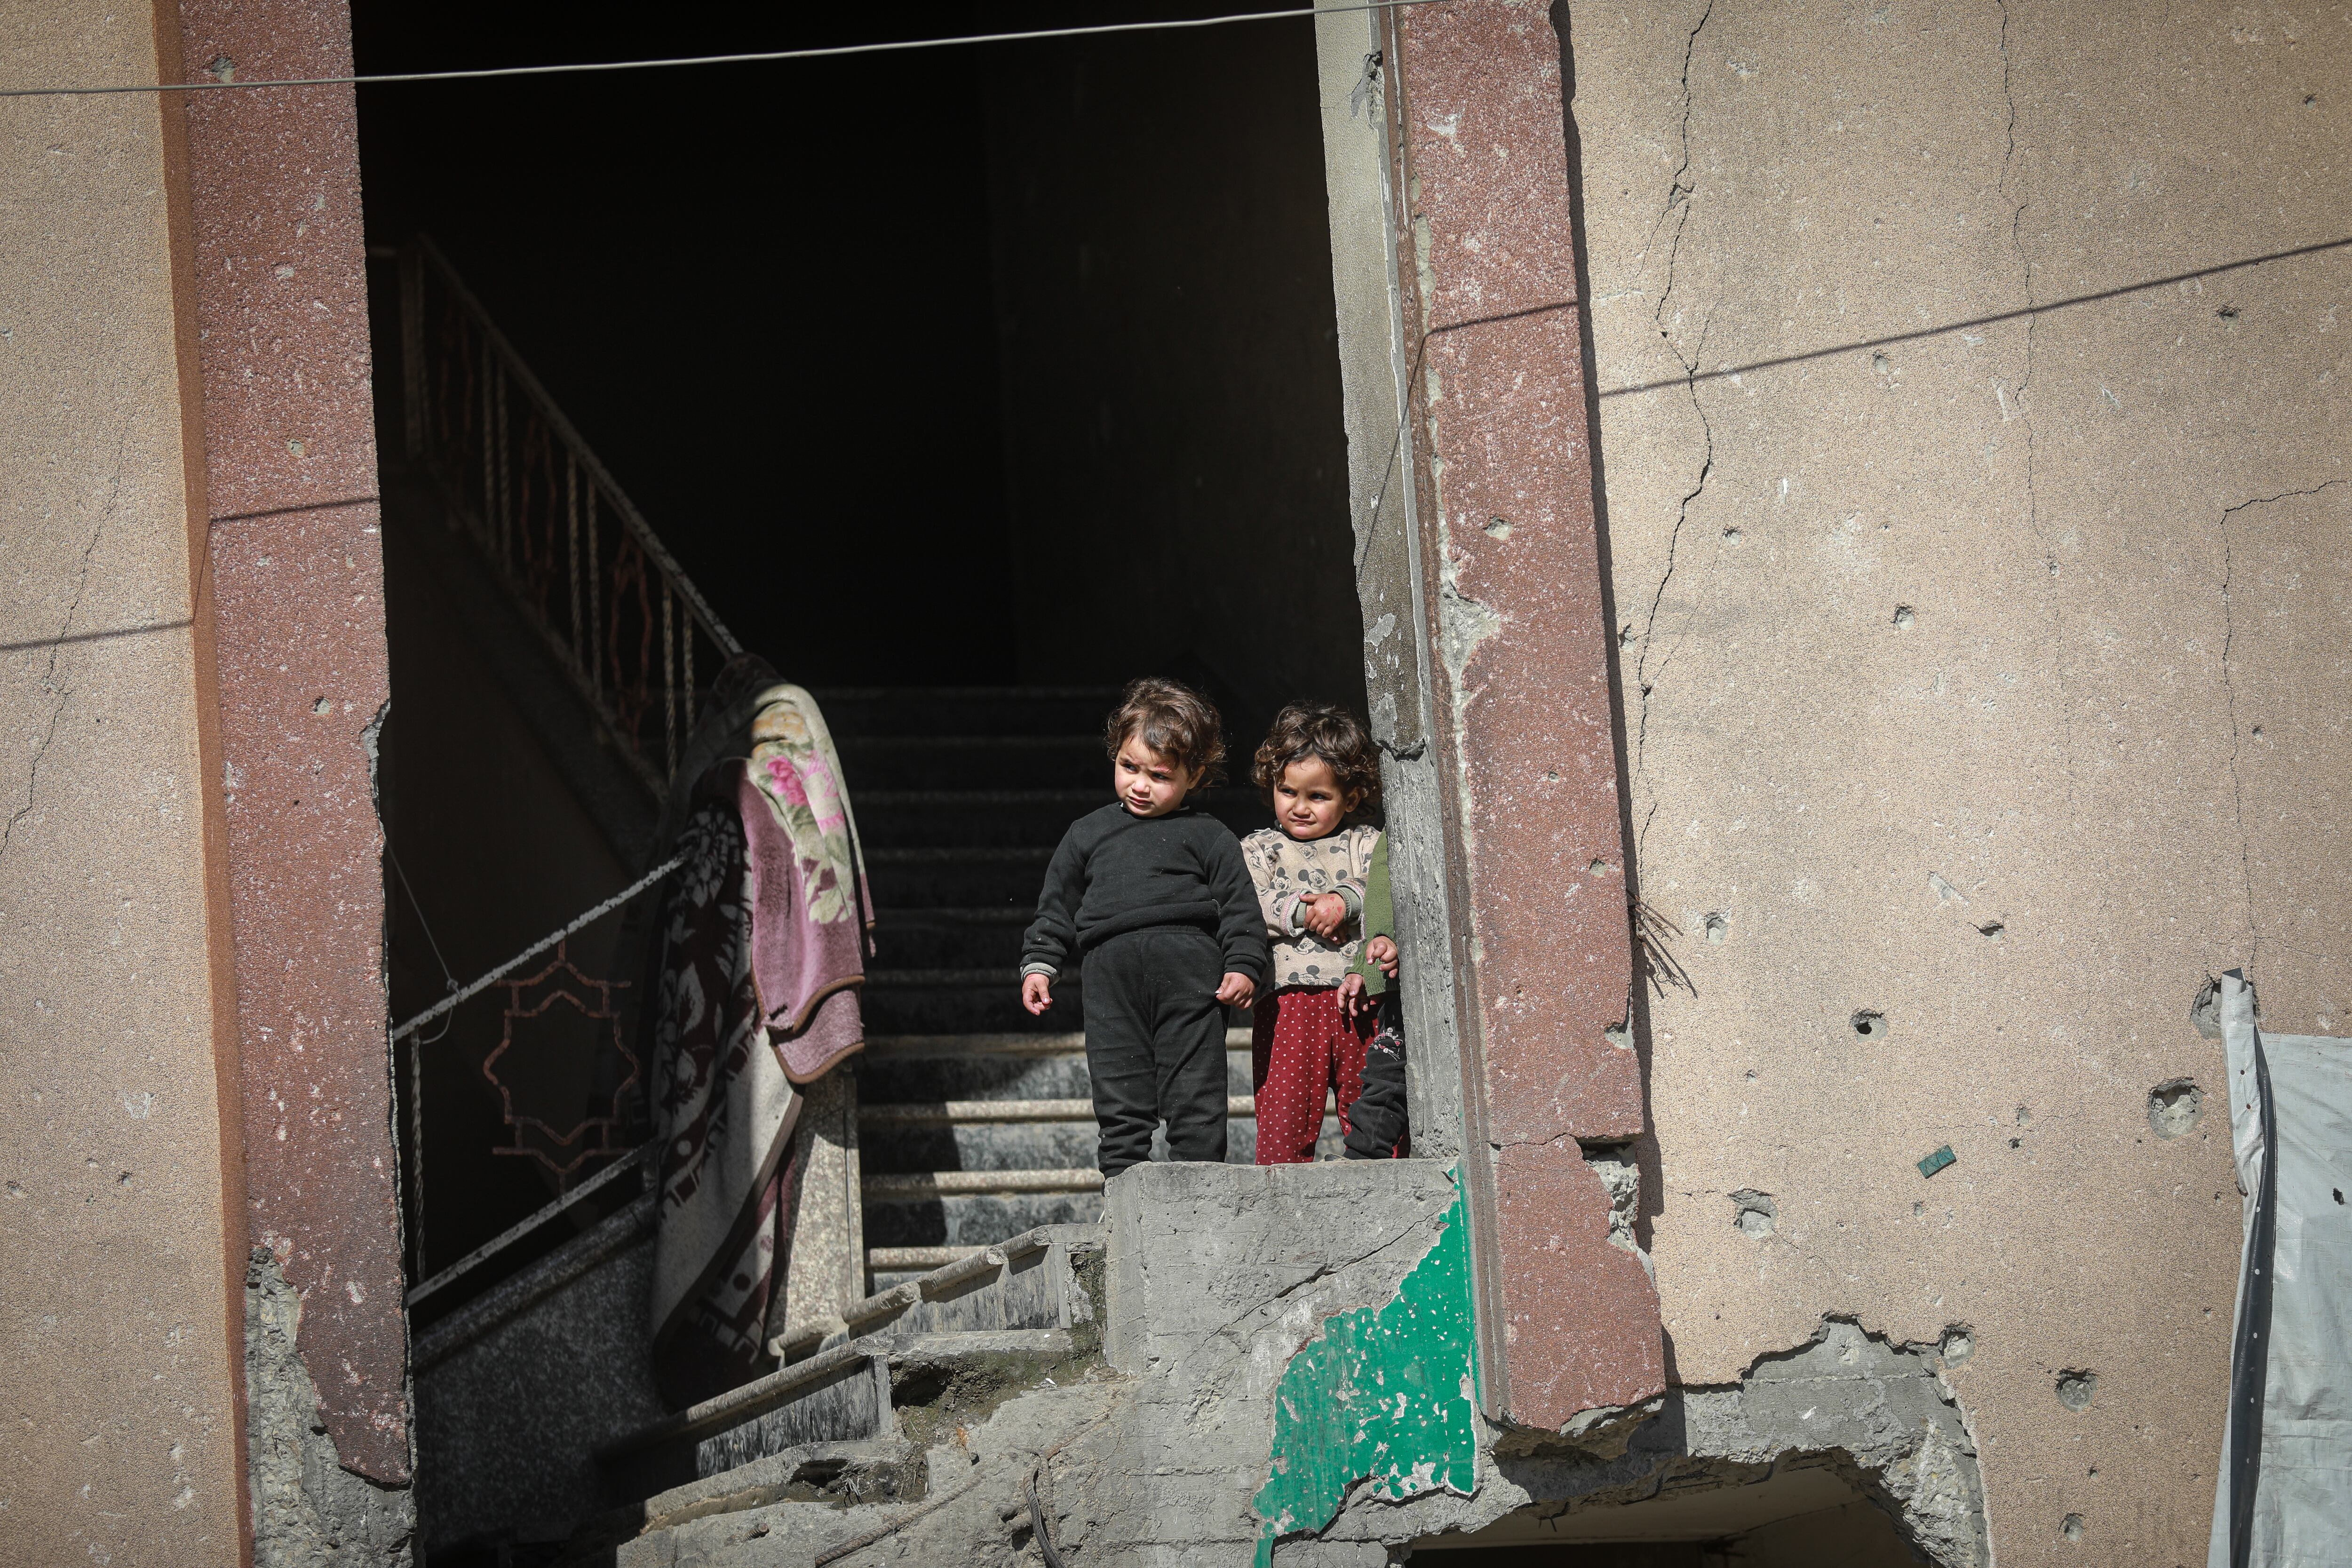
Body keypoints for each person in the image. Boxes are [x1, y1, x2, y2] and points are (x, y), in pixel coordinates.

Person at [1018, 678, 1269, 1179]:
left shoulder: (1209, 836)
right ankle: (1122, 1207)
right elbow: (1056, 906)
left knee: (1196, 1097)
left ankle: (1200, 1205)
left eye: (1158, 775)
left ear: (1194, 775)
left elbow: (1242, 910)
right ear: (1114, 754)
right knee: (1119, 1096)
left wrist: (1244, 965)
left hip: (1192, 983)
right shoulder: (1087, 833)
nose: (1139, 784)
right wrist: (1040, 964)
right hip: (1110, 983)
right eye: (1128, 767)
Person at [1240, 703, 1383, 1164]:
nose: (1299, 807)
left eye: (1317, 796)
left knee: (1370, 1116)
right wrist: (1302, 914)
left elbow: (1386, 885)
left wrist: (1343, 900)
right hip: (1286, 1005)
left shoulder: (1365, 842)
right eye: (1287, 791)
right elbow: (1249, 901)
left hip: (1358, 1000)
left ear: (1352, 797)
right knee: (1283, 1122)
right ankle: (1281, 1221)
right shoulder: (1259, 848)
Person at [1337, 833, 1408, 1159]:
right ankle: (1364, 1154)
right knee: (1385, 1071)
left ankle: (1365, 1153)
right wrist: (1364, 966)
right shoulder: (1392, 832)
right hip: (1397, 994)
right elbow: (1380, 902)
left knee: (1388, 1075)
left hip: (1430, 985)